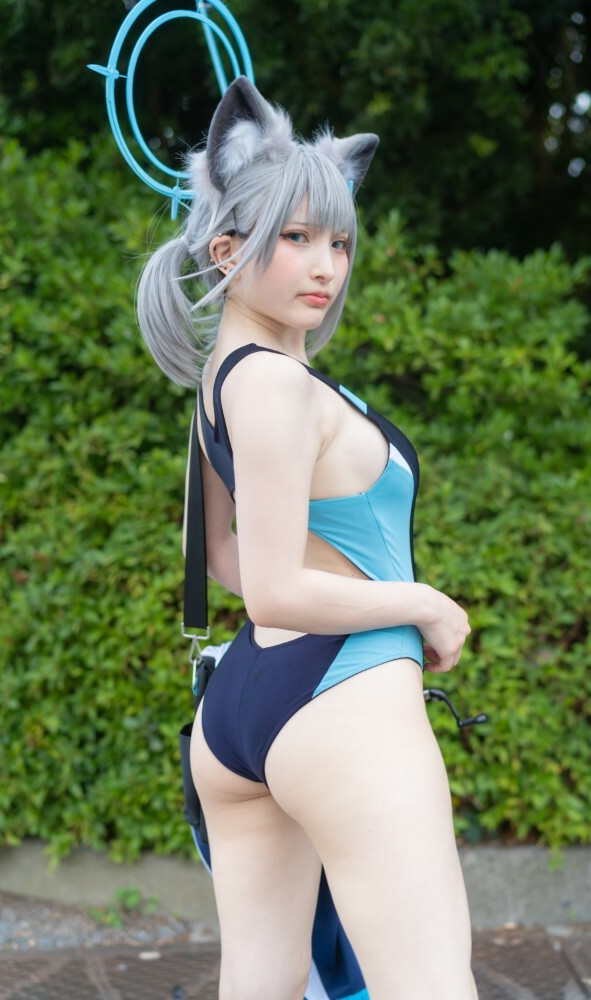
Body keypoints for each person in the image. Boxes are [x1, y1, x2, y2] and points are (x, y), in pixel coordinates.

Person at [137, 76, 478, 1000]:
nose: (324, 265)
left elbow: (219, 560)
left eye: (337, 241)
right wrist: (424, 604)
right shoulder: (278, 386)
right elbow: (275, 584)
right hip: (343, 704)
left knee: (261, 986)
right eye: (295, 238)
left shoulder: (223, 380)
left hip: (242, 712)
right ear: (227, 249)